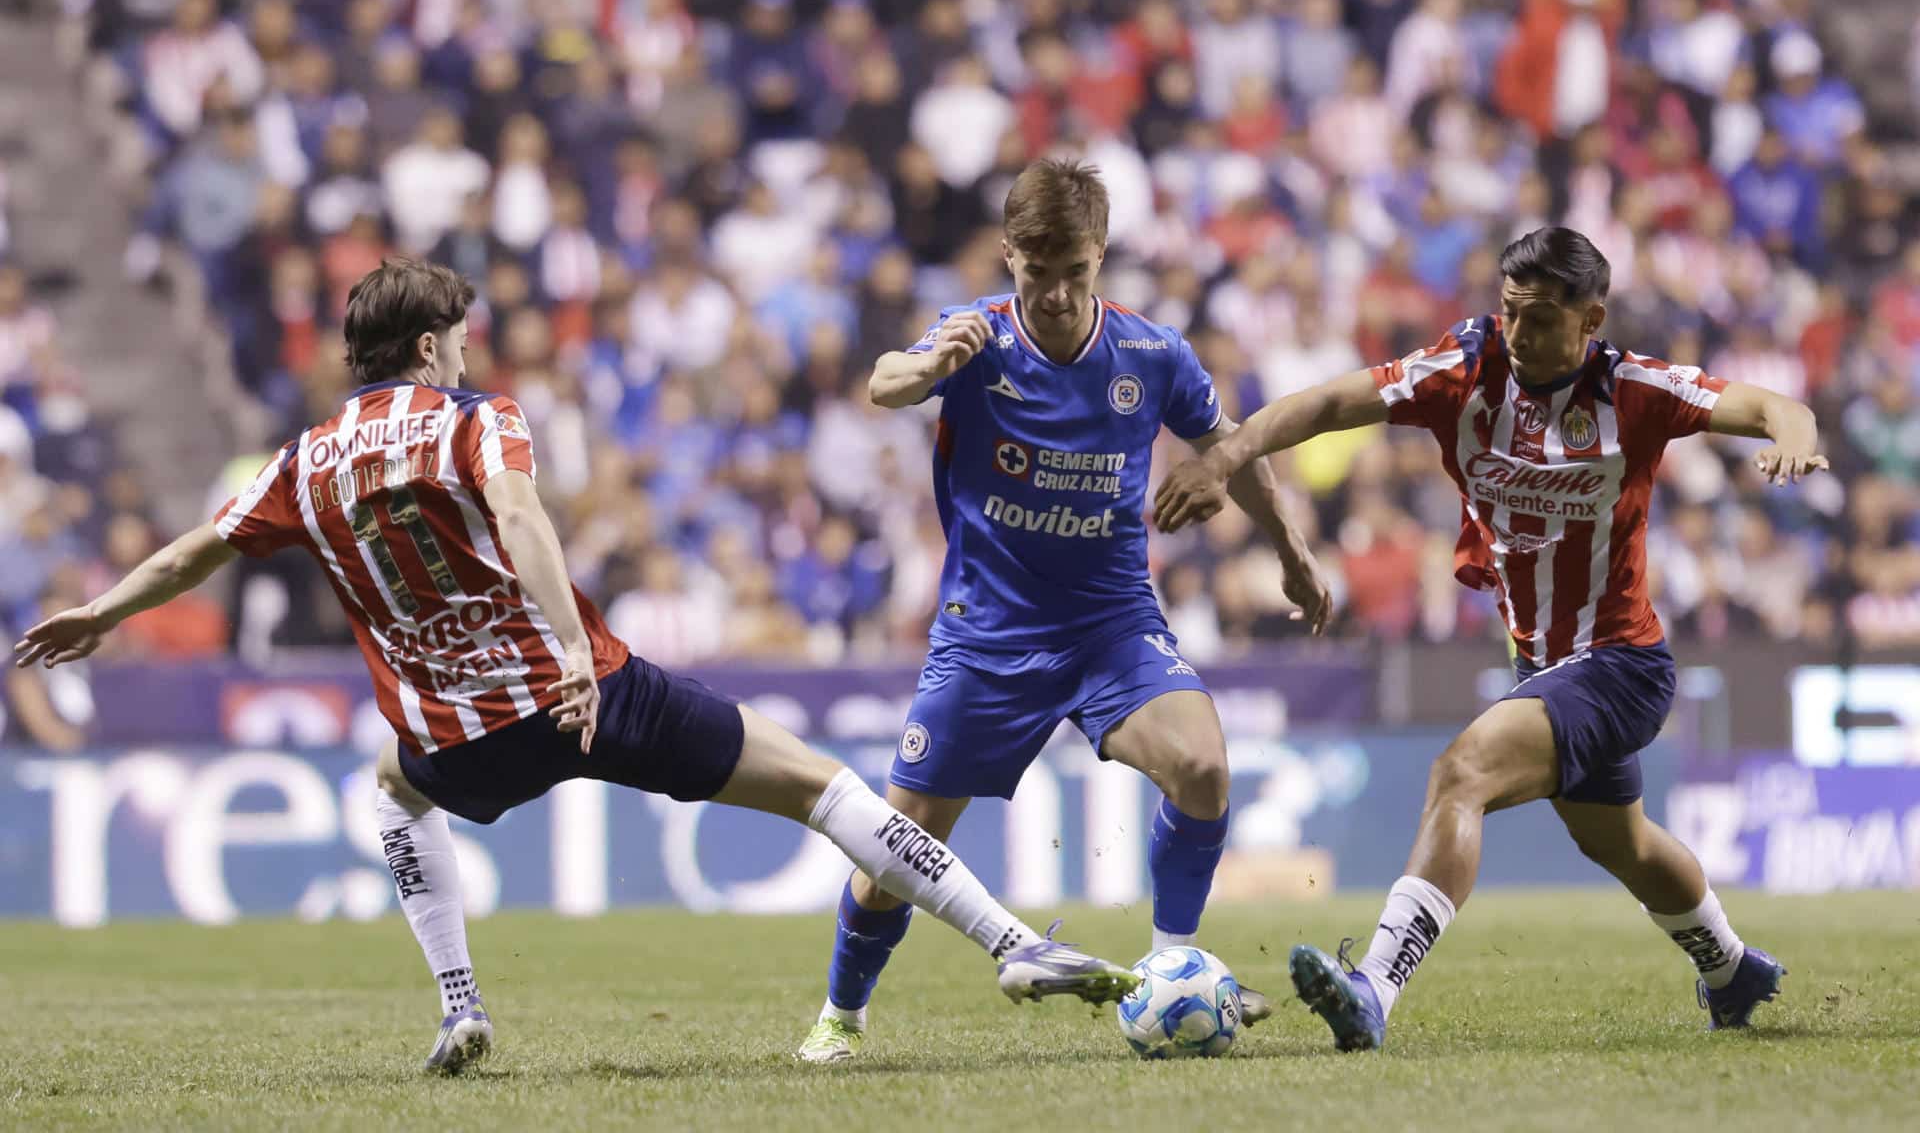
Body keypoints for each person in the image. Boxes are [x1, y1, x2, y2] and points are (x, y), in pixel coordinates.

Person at [12, 259, 1141, 1076]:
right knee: (819, 784)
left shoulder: (302, 460)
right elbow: (519, 515)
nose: (466, 351)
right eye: (457, 336)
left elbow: (192, 551)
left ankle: (460, 1002)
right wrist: (566, 654)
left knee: (393, 790)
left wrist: (101, 612)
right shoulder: (474, 420)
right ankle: (1012, 943)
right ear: (427, 348)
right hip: (589, 694)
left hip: (458, 742)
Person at [1154, 226, 1818, 1050]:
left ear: (1591, 320)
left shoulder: (1634, 389)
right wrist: (1225, 459)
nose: (1519, 332)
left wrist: (1793, 437)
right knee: (1623, 844)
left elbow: (1770, 406)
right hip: (1540, 664)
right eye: (1510, 311)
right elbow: (1327, 404)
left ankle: (1372, 989)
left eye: (1541, 318)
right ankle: (1732, 969)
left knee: (1460, 772)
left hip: (1621, 665)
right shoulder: (1463, 370)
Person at [795, 159, 1332, 1063]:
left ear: (1101, 254)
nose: (1053, 294)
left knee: (1202, 766)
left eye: (1073, 272)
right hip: (989, 634)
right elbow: (885, 383)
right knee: (894, 852)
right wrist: (930, 363)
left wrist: (1291, 552)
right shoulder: (977, 338)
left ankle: (1170, 967)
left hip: (1111, 624)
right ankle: (840, 1016)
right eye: (1035, 271)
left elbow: (1229, 449)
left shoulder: (1152, 355)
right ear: (1008, 254)